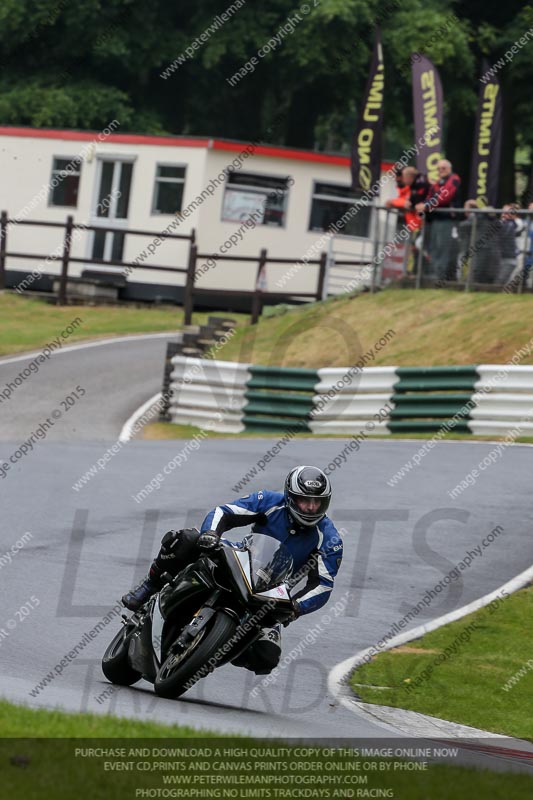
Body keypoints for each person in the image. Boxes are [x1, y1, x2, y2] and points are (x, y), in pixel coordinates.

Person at [122, 465, 343, 675]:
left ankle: (211, 652)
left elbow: (323, 584)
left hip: (272, 591)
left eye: (318, 502)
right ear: (291, 497)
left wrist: (295, 607)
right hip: (241, 556)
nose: (312, 508)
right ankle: (150, 586)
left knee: (267, 656)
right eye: (306, 501)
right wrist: (210, 533)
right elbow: (224, 512)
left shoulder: (329, 538)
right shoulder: (269, 501)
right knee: (187, 539)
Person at [416, 159, 461, 281]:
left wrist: (427, 205)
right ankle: (435, 274)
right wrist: (422, 205)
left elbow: (445, 196)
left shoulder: (454, 179)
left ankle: (441, 277)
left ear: (449, 169)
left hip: (447, 220)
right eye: (439, 168)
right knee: (432, 247)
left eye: (443, 168)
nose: (440, 170)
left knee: (443, 248)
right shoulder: (437, 183)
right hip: (434, 220)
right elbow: (430, 196)